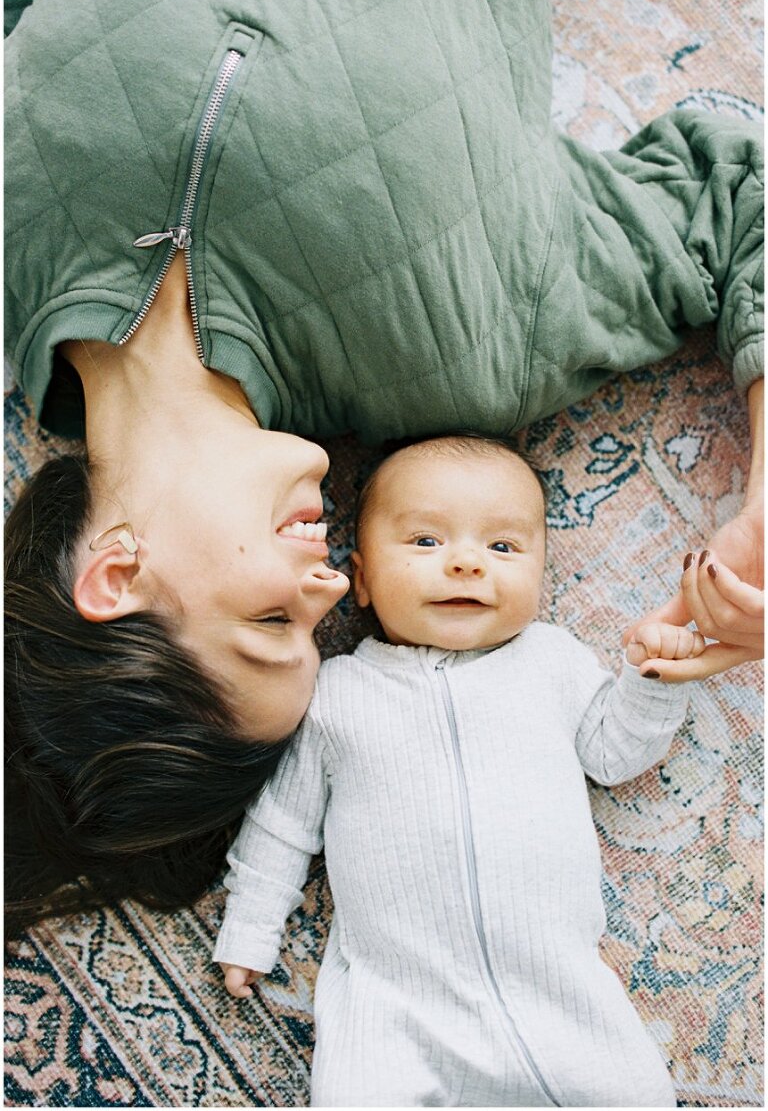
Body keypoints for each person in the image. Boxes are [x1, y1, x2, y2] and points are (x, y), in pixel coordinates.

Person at [4, 0, 763, 930]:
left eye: (272, 618)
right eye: (315, 631)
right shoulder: (477, 353)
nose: (329, 589)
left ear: (116, 573)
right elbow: (737, 192)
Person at [214, 435, 707, 1107]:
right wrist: (249, 927)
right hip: (396, 1005)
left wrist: (652, 680)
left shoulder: (550, 661)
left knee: (636, 1091)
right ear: (360, 578)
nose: (468, 563)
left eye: (503, 548)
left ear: (541, 573)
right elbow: (280, 824)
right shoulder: (337, 694)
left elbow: (611, 752)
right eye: (425, 542)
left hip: (558, 992)